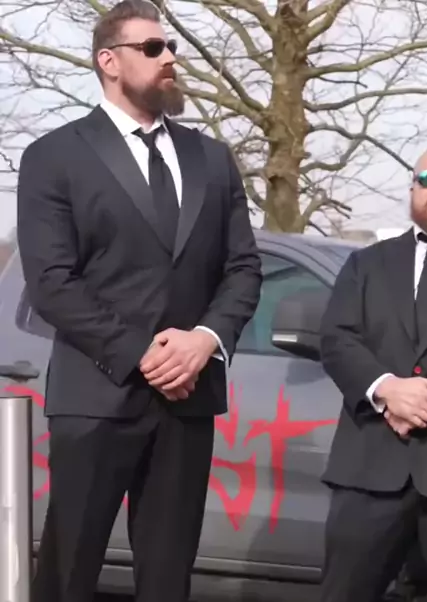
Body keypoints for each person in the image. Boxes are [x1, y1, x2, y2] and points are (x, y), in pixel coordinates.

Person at [16, 1, 262, 600]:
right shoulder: (55, 155)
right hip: (96, 396)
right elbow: (52, 282)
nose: (170, 57)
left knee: (168, 579)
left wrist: (204, 340)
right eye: (152, 48)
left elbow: (243, 269)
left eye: (171, 46)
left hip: (188, 400)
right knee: (68, 575)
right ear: (109, 61)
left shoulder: (212, 158)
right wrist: (141, 353)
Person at [318, 139, 427, 602]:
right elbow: (337, 338)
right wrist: (386, 388)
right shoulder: (366, 263)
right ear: (412, 191)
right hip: (369, 470)